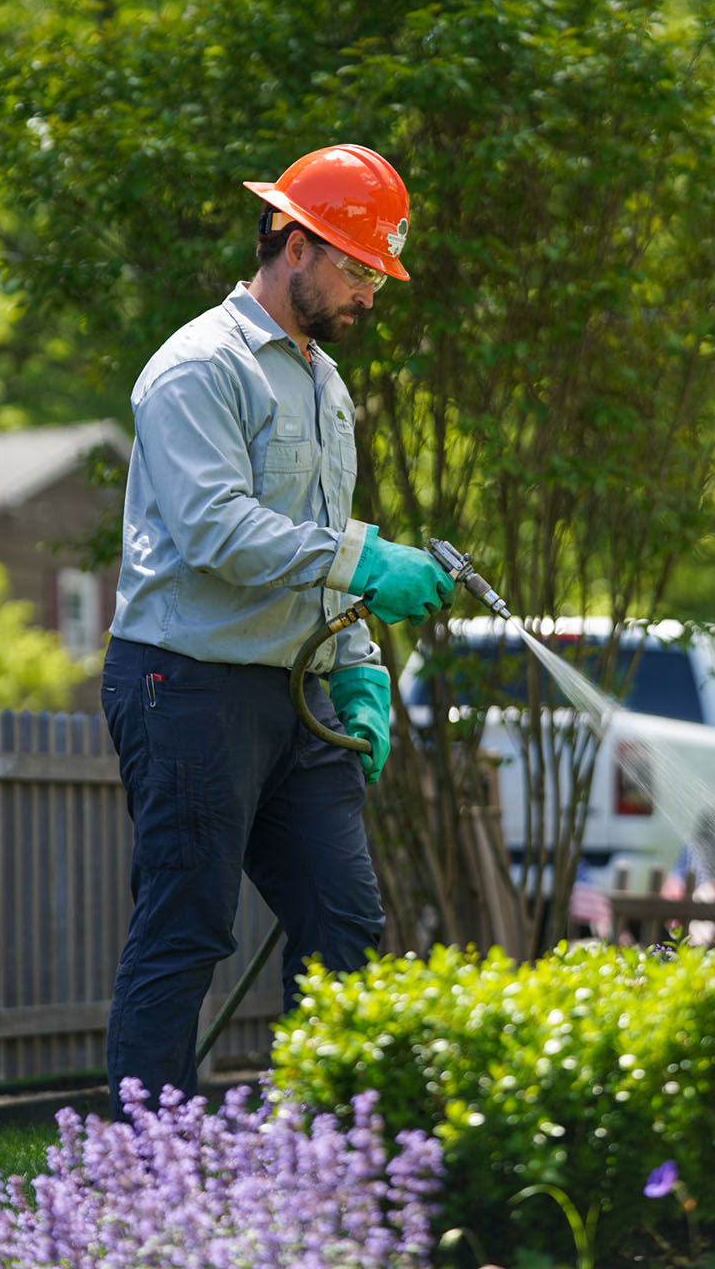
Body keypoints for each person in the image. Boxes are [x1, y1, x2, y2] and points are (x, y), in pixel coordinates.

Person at [101, 142, 454, 1119]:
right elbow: (218, 530)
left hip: (297, 695)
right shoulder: (196, 370)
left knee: (346, 917)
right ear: (293, 243)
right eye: (357, 266)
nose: (371, 297)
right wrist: (368, 563)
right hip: (188, 686)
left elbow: (329, 551)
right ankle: (140, 1171)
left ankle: (323, 1152)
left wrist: (361, 671)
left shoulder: (327, 386)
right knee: (188, 927)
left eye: (378, 274)